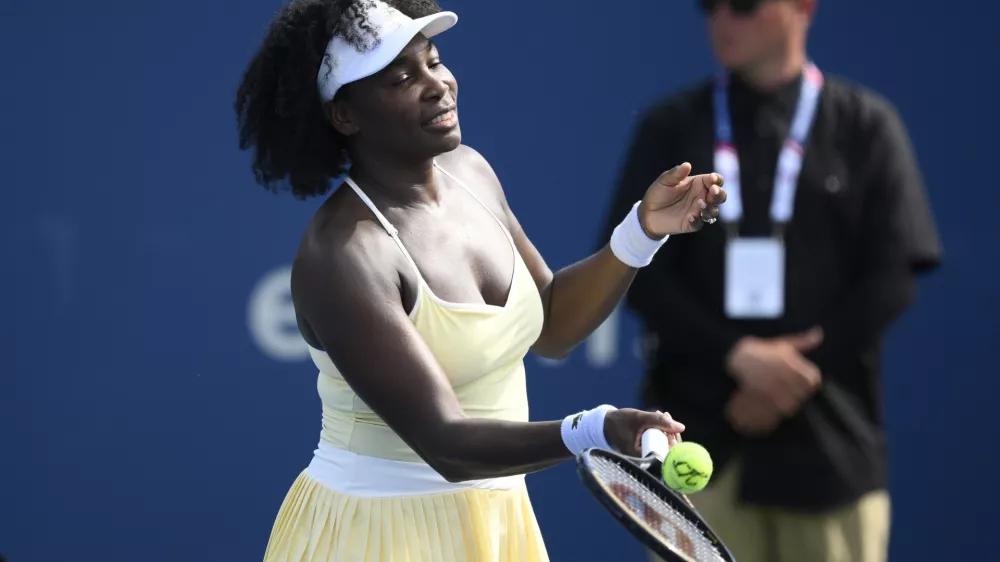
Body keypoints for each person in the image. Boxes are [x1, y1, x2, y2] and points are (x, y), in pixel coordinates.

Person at [234, 0, 726, 560]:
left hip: (495, 521)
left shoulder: (470, 171)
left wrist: (641, 231)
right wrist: (593, 430)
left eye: (434, 61)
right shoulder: (344, 255)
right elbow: (447, 442)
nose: (436, 85)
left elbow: (554, 325)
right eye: (401, 77)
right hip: (375, 535)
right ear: (346, 116)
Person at [600, 1, 942, 561]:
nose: (721, 21)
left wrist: (794, 373)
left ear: (802, 7)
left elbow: (892, 277)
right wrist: (738, 356)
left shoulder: (865, 124)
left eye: (742, 5)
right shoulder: (672, 126)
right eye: (708, 6)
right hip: (698, 441)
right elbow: (633, 270)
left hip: (831, 450)